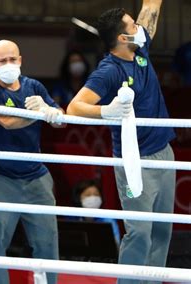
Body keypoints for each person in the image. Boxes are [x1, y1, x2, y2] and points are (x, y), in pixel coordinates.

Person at [67, 1, 176, 282]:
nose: (140, 29)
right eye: (133, 27)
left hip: (164, 152)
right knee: (140, 232)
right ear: (122, 39)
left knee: (162, 231)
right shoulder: (109, 71)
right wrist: (107, 111)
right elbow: (74, 107)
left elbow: (150, 11)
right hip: (133, 161)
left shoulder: (140, 50)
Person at [0, 39, 62, 284]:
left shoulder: (33, 85)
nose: (9, 64)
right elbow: (7, 122)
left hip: (36, 178)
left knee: (47, 245)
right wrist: (39, 113)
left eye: (13, 59)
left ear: (21, 60)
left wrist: (52, 112)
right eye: (3, 61)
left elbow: (60, 119)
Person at [70, 179, 121, 244]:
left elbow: (116, 246)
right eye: (88, 195)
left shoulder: (108, 220)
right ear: (78, 198)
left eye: (96, 195)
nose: (93, 198)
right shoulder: (71, 219)